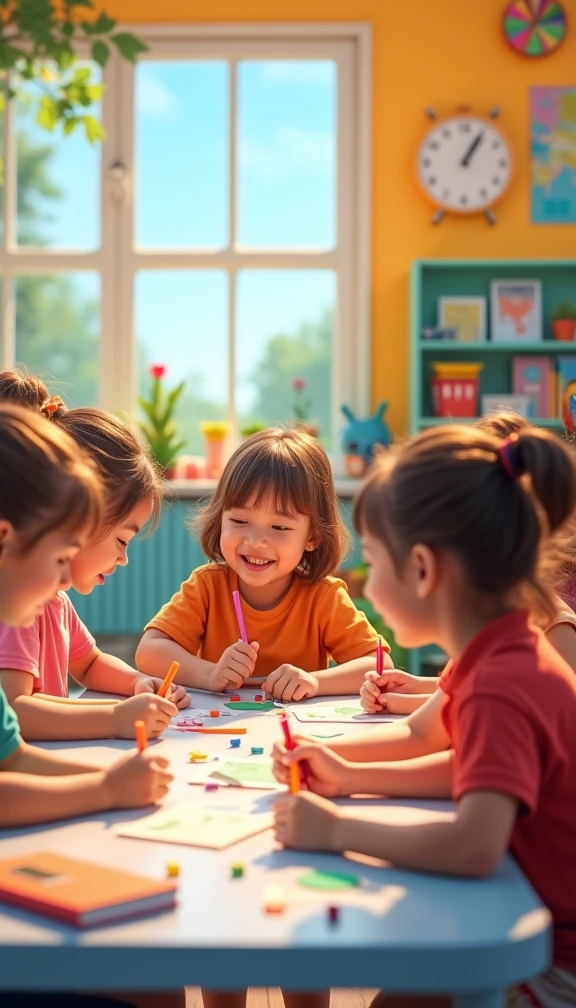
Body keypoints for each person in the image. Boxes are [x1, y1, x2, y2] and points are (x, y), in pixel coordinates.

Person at [0, 393, 177, 1008]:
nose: (62, 583)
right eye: (60, 560)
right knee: (149, 981)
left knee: (154, 974)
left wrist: (126, 781)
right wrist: (105, 791)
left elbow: (11, 755)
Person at [272, 424, 576, 1007]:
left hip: (555, 960)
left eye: (373, 564)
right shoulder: (494, 647)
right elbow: (443, 747)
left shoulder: (503, 682)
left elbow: (474, 847)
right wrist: (344, 772)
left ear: (421, 568)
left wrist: (337, 830)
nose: (365, 589)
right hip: (533, 914)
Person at [0, 369, 189, 740]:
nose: (123, 559)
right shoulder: (18, 605)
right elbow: (13, 711)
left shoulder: (54, 601)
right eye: (122, 541)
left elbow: (89, 663)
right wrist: (116, 717)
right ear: (78, 518)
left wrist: (138, 682)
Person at [136, 427, 391, 701]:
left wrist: (314, 682)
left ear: (313, 537)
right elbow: (150, 652)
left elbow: (378, 666)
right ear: (221, 518)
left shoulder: (323, 598)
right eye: (240, 521)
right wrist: (210, 674)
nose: (256, 541)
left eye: (279, 527)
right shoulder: (208, 586)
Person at [359, 410, 576, 716]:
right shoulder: (490, 636)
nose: (369, 590)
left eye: (372, 562)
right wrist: (415, 688)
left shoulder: (542, 634)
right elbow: (456, 708)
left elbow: (473, 709)